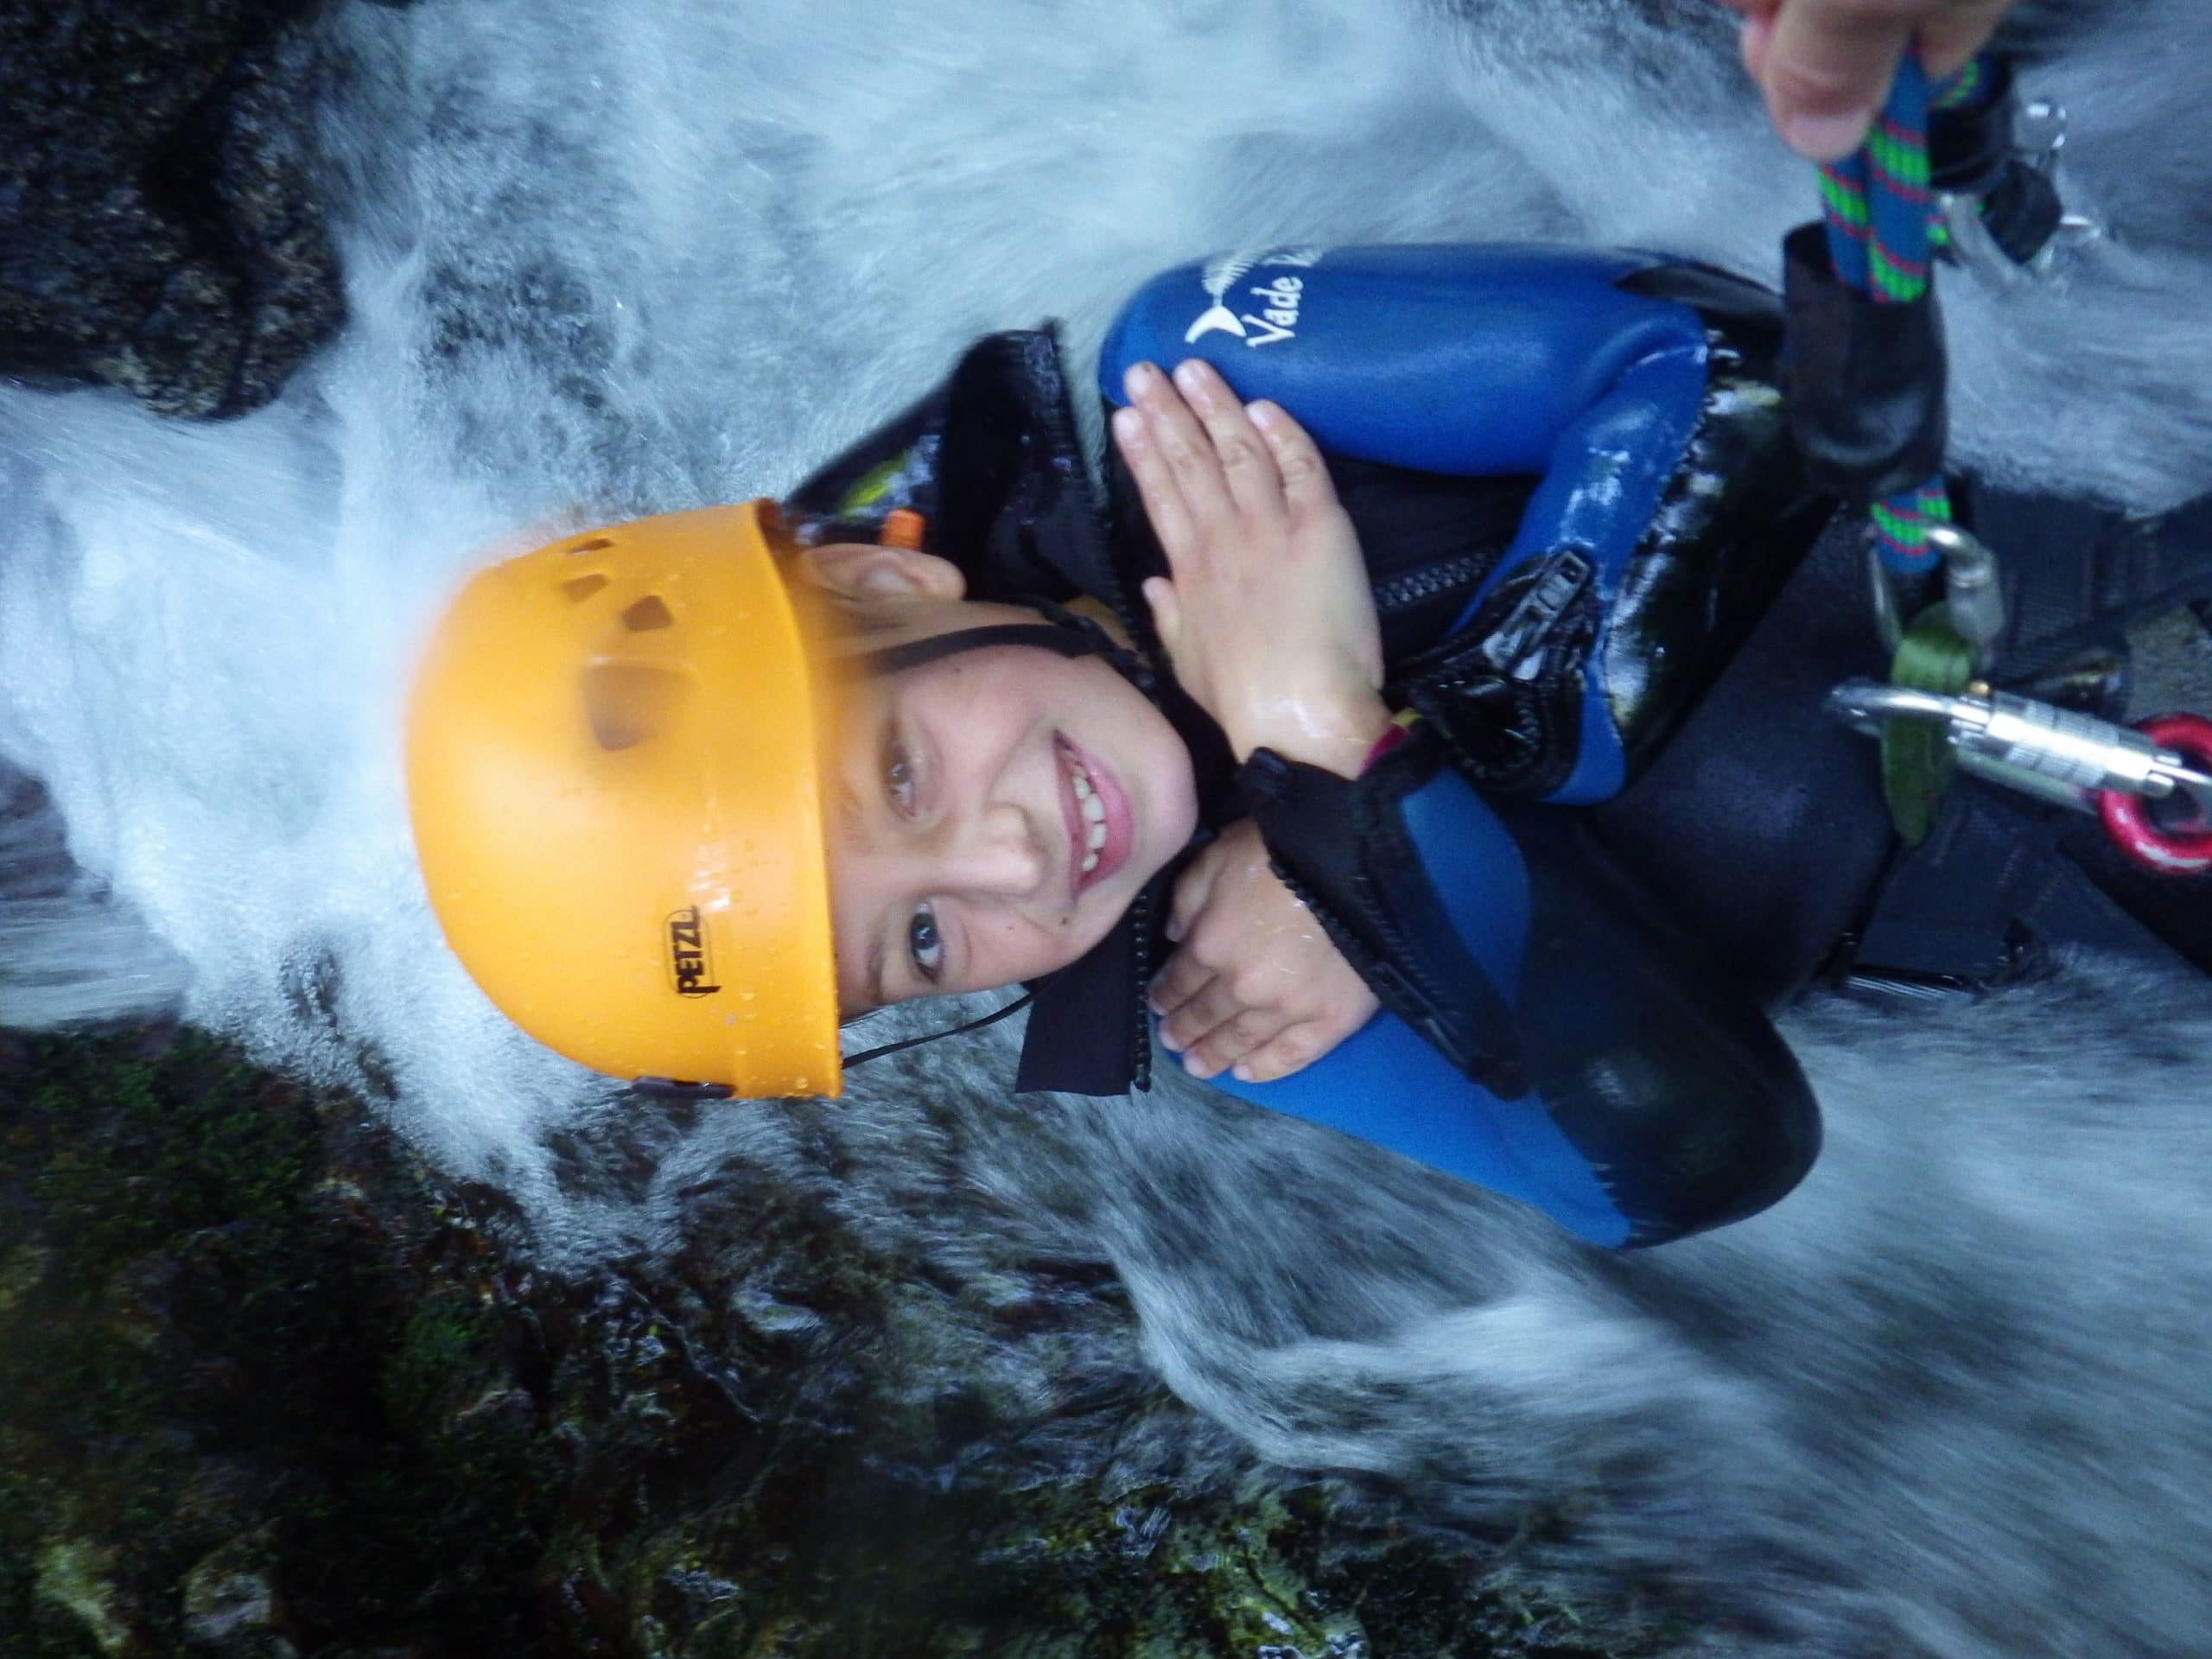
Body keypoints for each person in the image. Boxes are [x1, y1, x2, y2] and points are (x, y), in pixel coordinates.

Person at [408, 233, 2212, 1252]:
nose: (1011, 861)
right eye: (926, 940)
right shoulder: (1234, 990)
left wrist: (1423, 733)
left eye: (896, 777)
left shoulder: (1198, 381)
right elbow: (1700, 1161)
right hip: (2101, 926)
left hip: (2115, 540)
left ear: (880, 592)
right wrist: (1343, 796)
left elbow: (1728, 362)